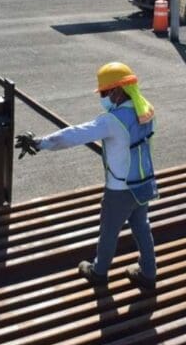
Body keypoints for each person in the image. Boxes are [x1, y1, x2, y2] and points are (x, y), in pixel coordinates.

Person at [15, 62, 158, 290]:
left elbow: (74, 135)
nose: (102, 98)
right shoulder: (146, 110)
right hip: (143, 183)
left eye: (103, 93)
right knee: (141, 225)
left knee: (109, 232)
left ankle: (99, 272)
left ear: (116, 90)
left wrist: (40, 143)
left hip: (119, 190)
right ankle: (149, 272)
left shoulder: (111, 121)